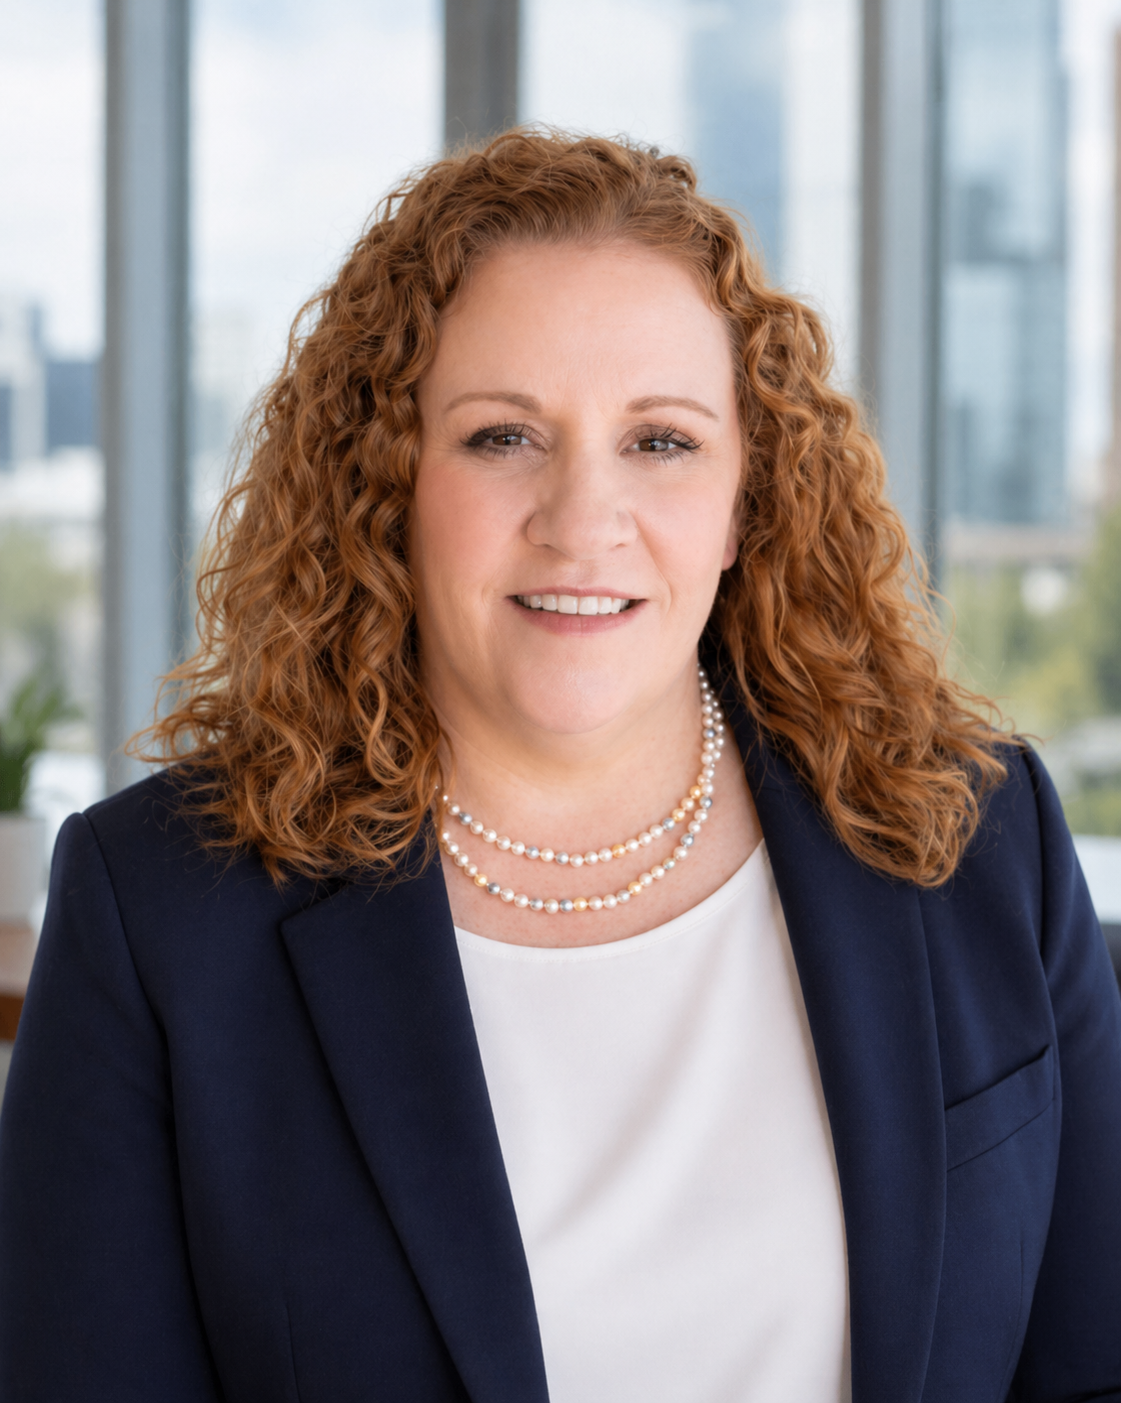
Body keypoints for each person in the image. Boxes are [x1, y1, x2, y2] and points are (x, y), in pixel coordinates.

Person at [0, 130, 1118, 1403]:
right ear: (387, 481)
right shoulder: (161, 914)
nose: (583, 519)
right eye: (500, 437)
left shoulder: (973, 839)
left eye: (661, 441)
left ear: (748, 493)